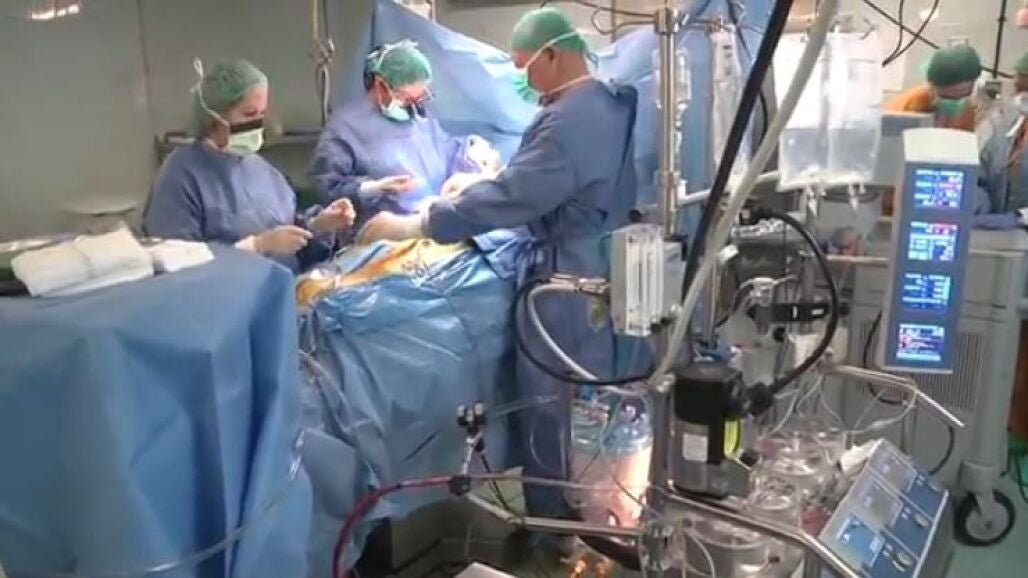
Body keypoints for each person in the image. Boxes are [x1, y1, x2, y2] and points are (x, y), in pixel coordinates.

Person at [357, 7, 642, 519]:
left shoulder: (569, 119)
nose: (522, 79)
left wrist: (418, 224)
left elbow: (518, 195)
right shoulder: (605, 101)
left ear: (552, 55)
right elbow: (545, 182)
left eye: (523, 66)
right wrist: (489, 180)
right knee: (591, 401)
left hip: (567, 281)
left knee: (553, 405)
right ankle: (595, 511)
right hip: (597, 262)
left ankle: (555, 524)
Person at [145, 59, 354, 272]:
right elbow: (176, 266)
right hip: (233, 292)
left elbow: (289, 232)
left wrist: (318, 226)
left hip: (285, 287)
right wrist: (257, 246)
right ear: (214, 117)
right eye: (249, 114)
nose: (258, 124)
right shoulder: (179, 178)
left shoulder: (263, 171)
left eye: (261, 114)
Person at [309, 41, 485, 231]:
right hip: (380, 235)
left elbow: (447, 151)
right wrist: (372, 189)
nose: (413, 106)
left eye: (418, 99)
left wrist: (472, 151)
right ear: (381, 86)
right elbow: (327, 189)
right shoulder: (344, 126)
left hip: (432, 224)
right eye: (407, 99)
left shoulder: (418, 119)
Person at [884, 44, 983, 131]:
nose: (954, 104)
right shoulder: (905, 109)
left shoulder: (966, 110)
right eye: (946, 97)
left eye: (962, 95)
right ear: (931, 88)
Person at [977, 51, 1028, 220]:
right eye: (1019, 90)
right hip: (999, 230)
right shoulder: (1007, 123)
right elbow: (981, 173)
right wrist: (979, 206)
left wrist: (1019, 218)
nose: (1022, 98)